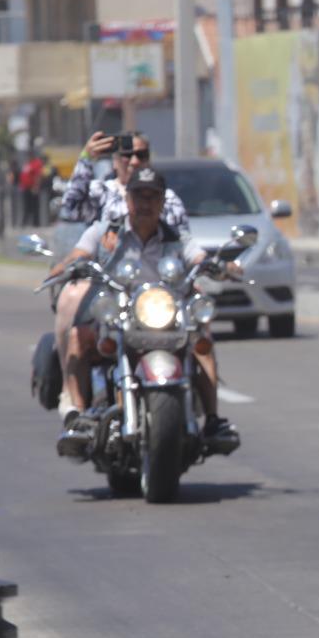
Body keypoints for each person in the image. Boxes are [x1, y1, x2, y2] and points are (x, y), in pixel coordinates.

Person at [49, 167, 234, 455]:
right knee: (78, 338)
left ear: (162, 202)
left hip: (162, 314)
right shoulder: (107, 230)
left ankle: (212, 420)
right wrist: (66, 266)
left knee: (202, 341)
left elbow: (198, 256)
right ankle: (79, 417)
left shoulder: (176, 237)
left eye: (153, 196)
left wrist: (220, 266)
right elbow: (81, 252)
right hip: (119, 313)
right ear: (128, 199)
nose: (145, 203)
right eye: (139, 195)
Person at [59, 130, 188, 230]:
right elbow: (70, 209)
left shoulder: (169, 199)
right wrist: (86, 158)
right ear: (115, 161)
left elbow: (182, 241)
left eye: (141, 155)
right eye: (127, 155)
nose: (134, 161)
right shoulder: (102, 192)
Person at [17, 154, 44, 227]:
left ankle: (36, 223)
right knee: (26, 206)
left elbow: (38, 176)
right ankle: (25, 222)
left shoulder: (36, 163)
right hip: (25, 188)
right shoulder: (27, 164)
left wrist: (36, 186)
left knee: (34, 206)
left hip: (32, 188)